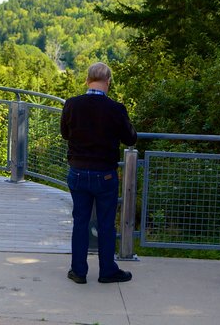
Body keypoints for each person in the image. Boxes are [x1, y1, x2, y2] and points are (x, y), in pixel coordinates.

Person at [60, 62, 138, 284]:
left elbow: (65, 133)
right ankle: (107, 270)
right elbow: (130, 138)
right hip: (104, 174)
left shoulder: (72, 105)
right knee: (105, 223)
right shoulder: (115, 108)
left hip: (78, 172)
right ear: (108, 82)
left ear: (87, 79)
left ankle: (78, 271)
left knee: (80, 222)